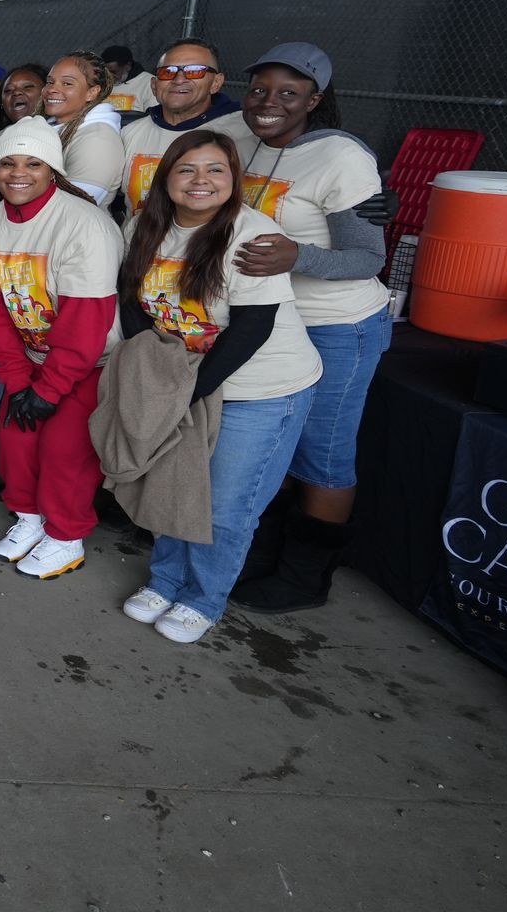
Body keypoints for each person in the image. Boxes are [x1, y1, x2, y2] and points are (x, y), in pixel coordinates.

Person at [115, 130, 322, 644]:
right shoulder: (145, 223)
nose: (200, 181)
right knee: (172, 482)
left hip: (260, 388)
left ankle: (203, 599)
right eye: (187, 169)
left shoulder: (252, 233)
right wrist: (160, 374)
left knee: (228, 504)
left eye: (215, 170)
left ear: (234, 181)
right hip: (183, 379)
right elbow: (131, 299)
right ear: (167, 177)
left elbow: (251, 329)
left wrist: (184, 390)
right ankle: (166, 580)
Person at [226, 43, 392, 616]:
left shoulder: (339, 157)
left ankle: (305, 577)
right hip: (269, 322)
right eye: (259, 90)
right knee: (268, 446)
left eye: (288, 93)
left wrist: (297, 256)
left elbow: (367, 257)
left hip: (337, 325)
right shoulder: (241, 135)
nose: (268, 102)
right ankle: (258, 552)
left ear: (314, 100)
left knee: (321, 453)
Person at [0, 119, 122, 580]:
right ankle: (30, 518)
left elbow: (85, 321)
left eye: (33, 163)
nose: (19, 172)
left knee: (64, 448)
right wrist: (17, 379)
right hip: (29, 361)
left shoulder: (84, 223)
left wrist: (51, 388)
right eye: (8, 163)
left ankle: (66, 535)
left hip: (90, 362)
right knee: (16, 436)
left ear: (53, 169)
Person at [117, 37, 240, 213]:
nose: (179, 79)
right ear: (154, 85)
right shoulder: (130, 133)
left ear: (216, 83)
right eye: (168, 72)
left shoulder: (243, 132)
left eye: (194, 71)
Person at [43, 51, 125, 205]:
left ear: (92, 92)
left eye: (67, 83)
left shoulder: (98, 140)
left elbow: (76, 208)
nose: (52, 89)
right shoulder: (50, 127)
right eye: (50, 82)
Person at [102, 45, 158, 112]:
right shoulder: (101, 83)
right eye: (106, 72)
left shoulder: (148, 83)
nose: (109, 75)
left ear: (128, 66)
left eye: (114, 72)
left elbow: (153, 116)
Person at [0, 63, 47, 129]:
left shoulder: (59, 133)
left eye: (27, 87)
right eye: (8, 90)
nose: (16, 92)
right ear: (2, 104)